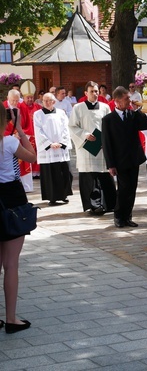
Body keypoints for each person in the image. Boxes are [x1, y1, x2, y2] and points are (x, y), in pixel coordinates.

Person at [0, 103, 37, 333]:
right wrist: (21, 131)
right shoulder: (9, 142)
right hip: (11, 197)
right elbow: (32, 158)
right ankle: (11, 318)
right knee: (11, 263)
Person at [102, 86, 147, 228]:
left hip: (133, 158)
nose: (129, 101)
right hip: (119, 160)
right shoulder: (108, 119)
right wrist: (110, 164)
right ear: (117, 101)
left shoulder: (132, 114)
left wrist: (137, 111)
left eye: (129, 98)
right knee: (123, 189)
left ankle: (128, 216)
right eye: (126, 98)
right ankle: (119, 216)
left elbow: (145, 125)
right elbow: (106, 143)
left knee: (132, 188)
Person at [69, 81, 116, 215]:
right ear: (85, 93)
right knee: (90, 176)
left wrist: (106, 140)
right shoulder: (78, 108)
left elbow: (110, 126)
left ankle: (109, 203)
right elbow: (72, 126)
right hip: (86, 147)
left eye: (96, 91)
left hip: (102, 147)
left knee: (104, 175)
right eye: (92, 91)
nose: (95, 94)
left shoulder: (105, 107)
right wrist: (85, 134)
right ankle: (93, 205)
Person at [33, 93, 72, 205]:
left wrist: (61, 142)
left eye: (48, 100)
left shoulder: (61, 113)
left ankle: (64, 195)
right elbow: (38, 130)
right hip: (48, 149)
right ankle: (52, 197)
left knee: (63, 171)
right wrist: (49, 144)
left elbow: (66, 128)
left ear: (54, 102)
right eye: (44, 100)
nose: (46, 102)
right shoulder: (38, 114)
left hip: (60, 148)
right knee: (49, 173)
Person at [18, 81, 42, 182]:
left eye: (31, 97)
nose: (30, 99)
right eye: (28, 97)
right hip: (26, 136)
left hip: (37, 135)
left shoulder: (37, 106)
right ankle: (29, 173)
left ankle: (37, 173)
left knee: (38, 154)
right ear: (23, 97)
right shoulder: (20, 107)